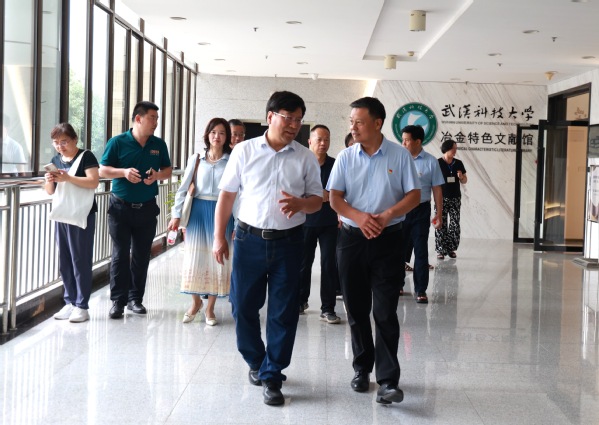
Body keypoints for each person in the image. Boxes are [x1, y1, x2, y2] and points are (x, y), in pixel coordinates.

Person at [213, 91, 323, 406]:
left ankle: (273, 374)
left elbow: (317, 201)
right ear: (270, 116)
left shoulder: (304, 157)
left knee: (283, 311)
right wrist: (219, 236)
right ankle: (256, 360)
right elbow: (227, 196)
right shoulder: (244, 151)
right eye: (288, 118)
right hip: (248, 240)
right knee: (242, 306)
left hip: (289, 242)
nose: (294, 125)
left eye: (298, 120)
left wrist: (301, 203)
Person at [327, 96, 420, 405]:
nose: (353, 127)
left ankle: (388, 380)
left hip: (388, 240)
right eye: (351, 122)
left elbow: (413, 195)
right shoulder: (345, 157)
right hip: (352, 240)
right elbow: (335, 198)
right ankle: (361, 369)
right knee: (356, 309)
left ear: (377, 123)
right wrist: (360, 218)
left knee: (384, 310)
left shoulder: (400, 155)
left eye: (359, 122)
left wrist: (387, 215)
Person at [99, 101, 172, 319]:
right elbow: (102, 170)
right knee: (120, 254)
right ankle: (117, 301)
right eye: (152, 118)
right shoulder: (117, 142)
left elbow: (167, 170)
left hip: (147, 208)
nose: (156, 123)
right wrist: (123, 172)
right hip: (120, 208)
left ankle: (135, 299)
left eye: (157, 118)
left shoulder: (159, 144)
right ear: (138, 119)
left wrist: (156, 176)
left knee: (141, 255)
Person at [168, 118, 234, 326]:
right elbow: (183, 188)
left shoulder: (232, 160)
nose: (217, 136)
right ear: (207, 135)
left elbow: (238, 193)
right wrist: (176, 214)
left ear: (227, 137)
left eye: (221, 133)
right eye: (213, 132)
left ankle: (210, 308)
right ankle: (195, 303)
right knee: (194, 259)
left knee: (218, 260)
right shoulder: (196, 159)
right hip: (197, 212)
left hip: (222, 213)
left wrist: (239, 221)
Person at [43, 123, 99, 323]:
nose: (60, 146)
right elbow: (50, 191)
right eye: (56, 142)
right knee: (65, 260)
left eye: (64, 142)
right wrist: (49, 179)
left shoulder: (86, 156)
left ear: (75, 139)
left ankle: (82, 306)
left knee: (80, 259)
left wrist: (68, 178)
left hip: (81, 214)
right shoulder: (55, 160)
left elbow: (93, 182)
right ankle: (70, 302)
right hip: (62, 213)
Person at [298, 124, 341, 323]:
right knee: (303, 263)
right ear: (310, 141)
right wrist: (319, 195)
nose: (323, 143)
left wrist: (327, 195)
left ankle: (328, 308)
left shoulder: (336, 164)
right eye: (319, 139)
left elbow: (342, 191)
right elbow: (295, 190)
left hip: (329, 223)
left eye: (327, 140)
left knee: (329, 265)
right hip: (305, 221)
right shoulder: (302, 163)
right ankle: (300, 301)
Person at [400, 125, 444, 304]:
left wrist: (439, 213)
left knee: (420, 250)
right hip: (401, 209)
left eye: (407, 140)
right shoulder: (398, 159)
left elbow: (437, 189)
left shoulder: (431, 161)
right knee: (398, 249)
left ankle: (421, 290)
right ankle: (398, 284)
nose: (403, 143)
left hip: (421, 210)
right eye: (402, 140)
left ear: (418, 141)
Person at [435, 139, 467, 260]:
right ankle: (440, 250)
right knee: (440, 223)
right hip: (441, 199)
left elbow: (465, 181)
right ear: (446, 148)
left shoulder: (458, 163)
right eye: (453, 148)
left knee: (454, 224)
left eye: (455, 148)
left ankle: (451, 249)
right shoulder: (438, 163)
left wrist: (461, 177)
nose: (455, 150)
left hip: (455, 198)